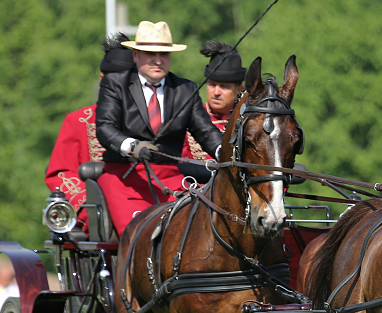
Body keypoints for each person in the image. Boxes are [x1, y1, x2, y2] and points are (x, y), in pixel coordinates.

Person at [96, 21, 224, 236]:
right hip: (124, 177)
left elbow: (205, 131)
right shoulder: (115, 83)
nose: (157, 60)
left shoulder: (185, 88)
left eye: (164, 54)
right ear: (135, 55)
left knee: (190, 234)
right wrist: (132, 146)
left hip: (170, 178)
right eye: (149, 53)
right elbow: (105, 127)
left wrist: (225, 152)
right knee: (139, 236)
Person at [44, 33, 135, 233]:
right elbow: (60, 173)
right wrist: (91, 205)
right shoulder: (77, 121)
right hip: (98, 218)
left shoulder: (154, 121)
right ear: (103, 80)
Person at [182, 40, 246, 161]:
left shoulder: (249, 122)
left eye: (224, 87)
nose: (216, 92)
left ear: (239, 90)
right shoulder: (188, 118)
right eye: (212, 85)